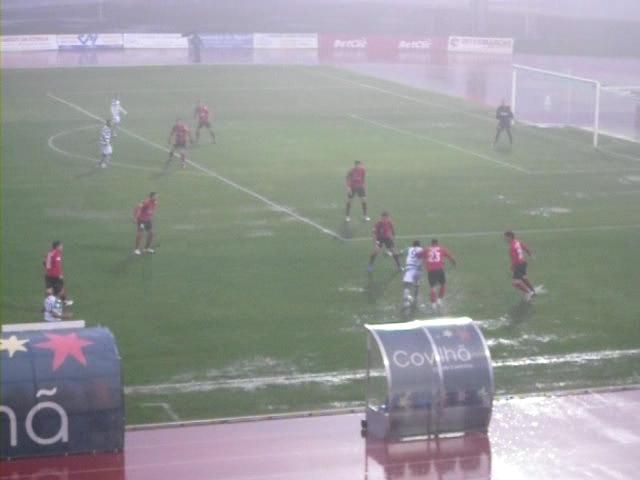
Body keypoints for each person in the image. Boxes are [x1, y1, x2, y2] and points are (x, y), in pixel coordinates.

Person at [424, 239, 456, 312]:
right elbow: (450, 256)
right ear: (437, 243)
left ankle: (433, 305)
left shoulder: (427, 249)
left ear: (431, 243)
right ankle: (439, 300)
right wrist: (454, 263)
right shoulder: (441, 249)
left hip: (431, 271)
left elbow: (419, 255)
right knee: (443, 284)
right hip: (440, 270)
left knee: (433, 287)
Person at [504, 230, 536, 301]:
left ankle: (528, 293)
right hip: (523, 263)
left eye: (505, 237)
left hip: (518, 264)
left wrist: (513, 267)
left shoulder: (512, 247)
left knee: (516, 283)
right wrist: (531, 255)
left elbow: (515, 259)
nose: (505, 239)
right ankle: (533, 291)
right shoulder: (517, 242)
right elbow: (525, 248)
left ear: (509, 237)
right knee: (523, 278)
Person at [44, 241, 73, 306]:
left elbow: (45, 263)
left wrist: (48, 270)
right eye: (61, 246)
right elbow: (57, 266)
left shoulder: (49, 253)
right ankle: (65, 301)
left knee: (49, 291)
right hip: (56, 276)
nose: (62, 247)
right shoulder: (57, 254)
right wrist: (60, 274)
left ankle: (46, 305)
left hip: (48, 275)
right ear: (57, 247)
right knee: (60, 290)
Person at [401, 240, 424, 309]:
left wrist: (391, 253)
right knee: (417, 283)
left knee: (407, 286)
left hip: (410, 269)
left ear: (413, 245)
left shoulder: (409, 249)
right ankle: (415, 297)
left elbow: (400, 253)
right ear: (419, 245)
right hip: (418, 270)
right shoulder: (422, 249)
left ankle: (405, 303)